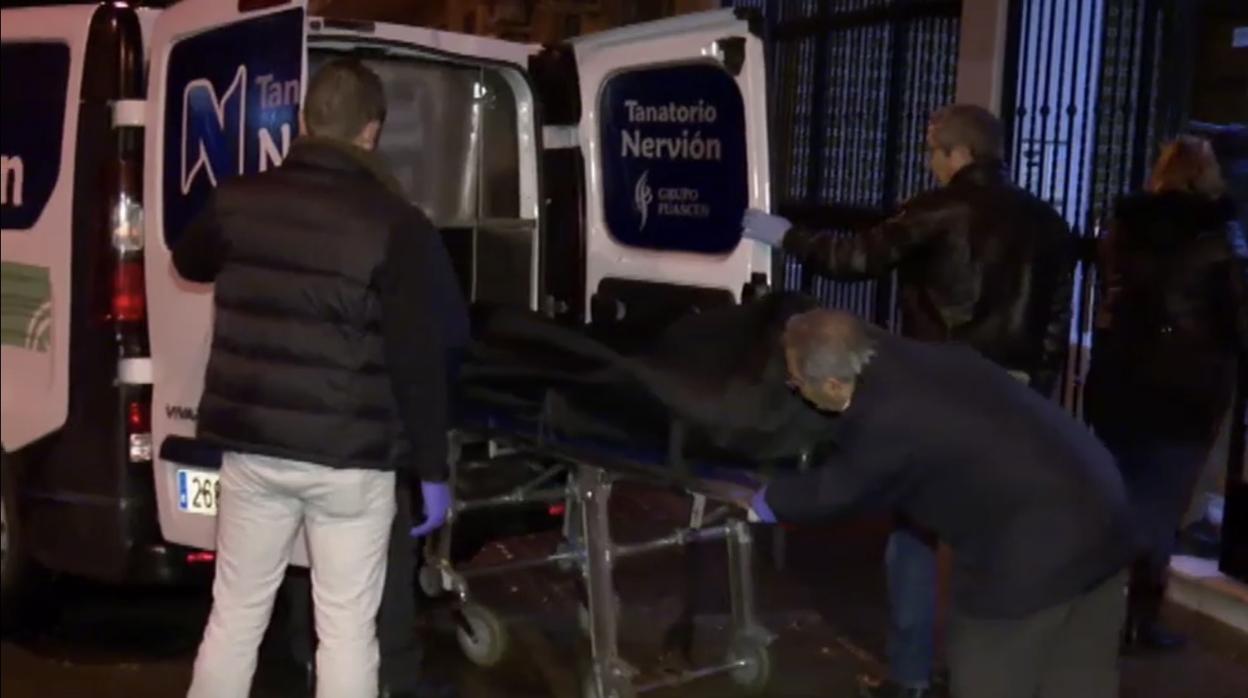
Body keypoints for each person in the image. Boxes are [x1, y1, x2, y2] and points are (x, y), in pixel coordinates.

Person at [741, 104, 1075, 698]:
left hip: (943, 394)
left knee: (916, 533)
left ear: (958, 154)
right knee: (989, 540)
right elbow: (1054, 321)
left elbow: (852, 260)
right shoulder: (1046, 220)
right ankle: (980, 672)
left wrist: (781, 233)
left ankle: (911, 675)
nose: (930, 162)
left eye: (933, 150)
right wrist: (1036, 389)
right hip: (1014, 396)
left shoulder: (935, 211)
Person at [176, 58, 460, 698]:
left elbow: (189, 259)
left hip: (254, 448)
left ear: (303, 121)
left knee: (236, 615)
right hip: (351, 462)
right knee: (347, 630)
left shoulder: (239, 200)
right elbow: (419, 359)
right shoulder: (397, 224)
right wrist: (432, 470)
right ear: (371, 132)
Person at [751, 308, 1135, 698]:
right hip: (1107, 515)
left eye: (795, 383)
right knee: (1079, 682)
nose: (795, 390)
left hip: (1034, 552)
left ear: (833, 385)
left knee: (985, 676)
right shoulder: (930, 358)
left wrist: (763, 500)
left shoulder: (884, 417)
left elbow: (834, 493)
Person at [1085, 135, 1248, 652]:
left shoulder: (1124, 228)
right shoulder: (1222, 236)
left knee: (1116, 492)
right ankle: (1138, 616)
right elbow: (1240, 316)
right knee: (1162, 503)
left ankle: (1094, 607)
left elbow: (1108, 293)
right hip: (1188, 386)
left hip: (1120, 377)